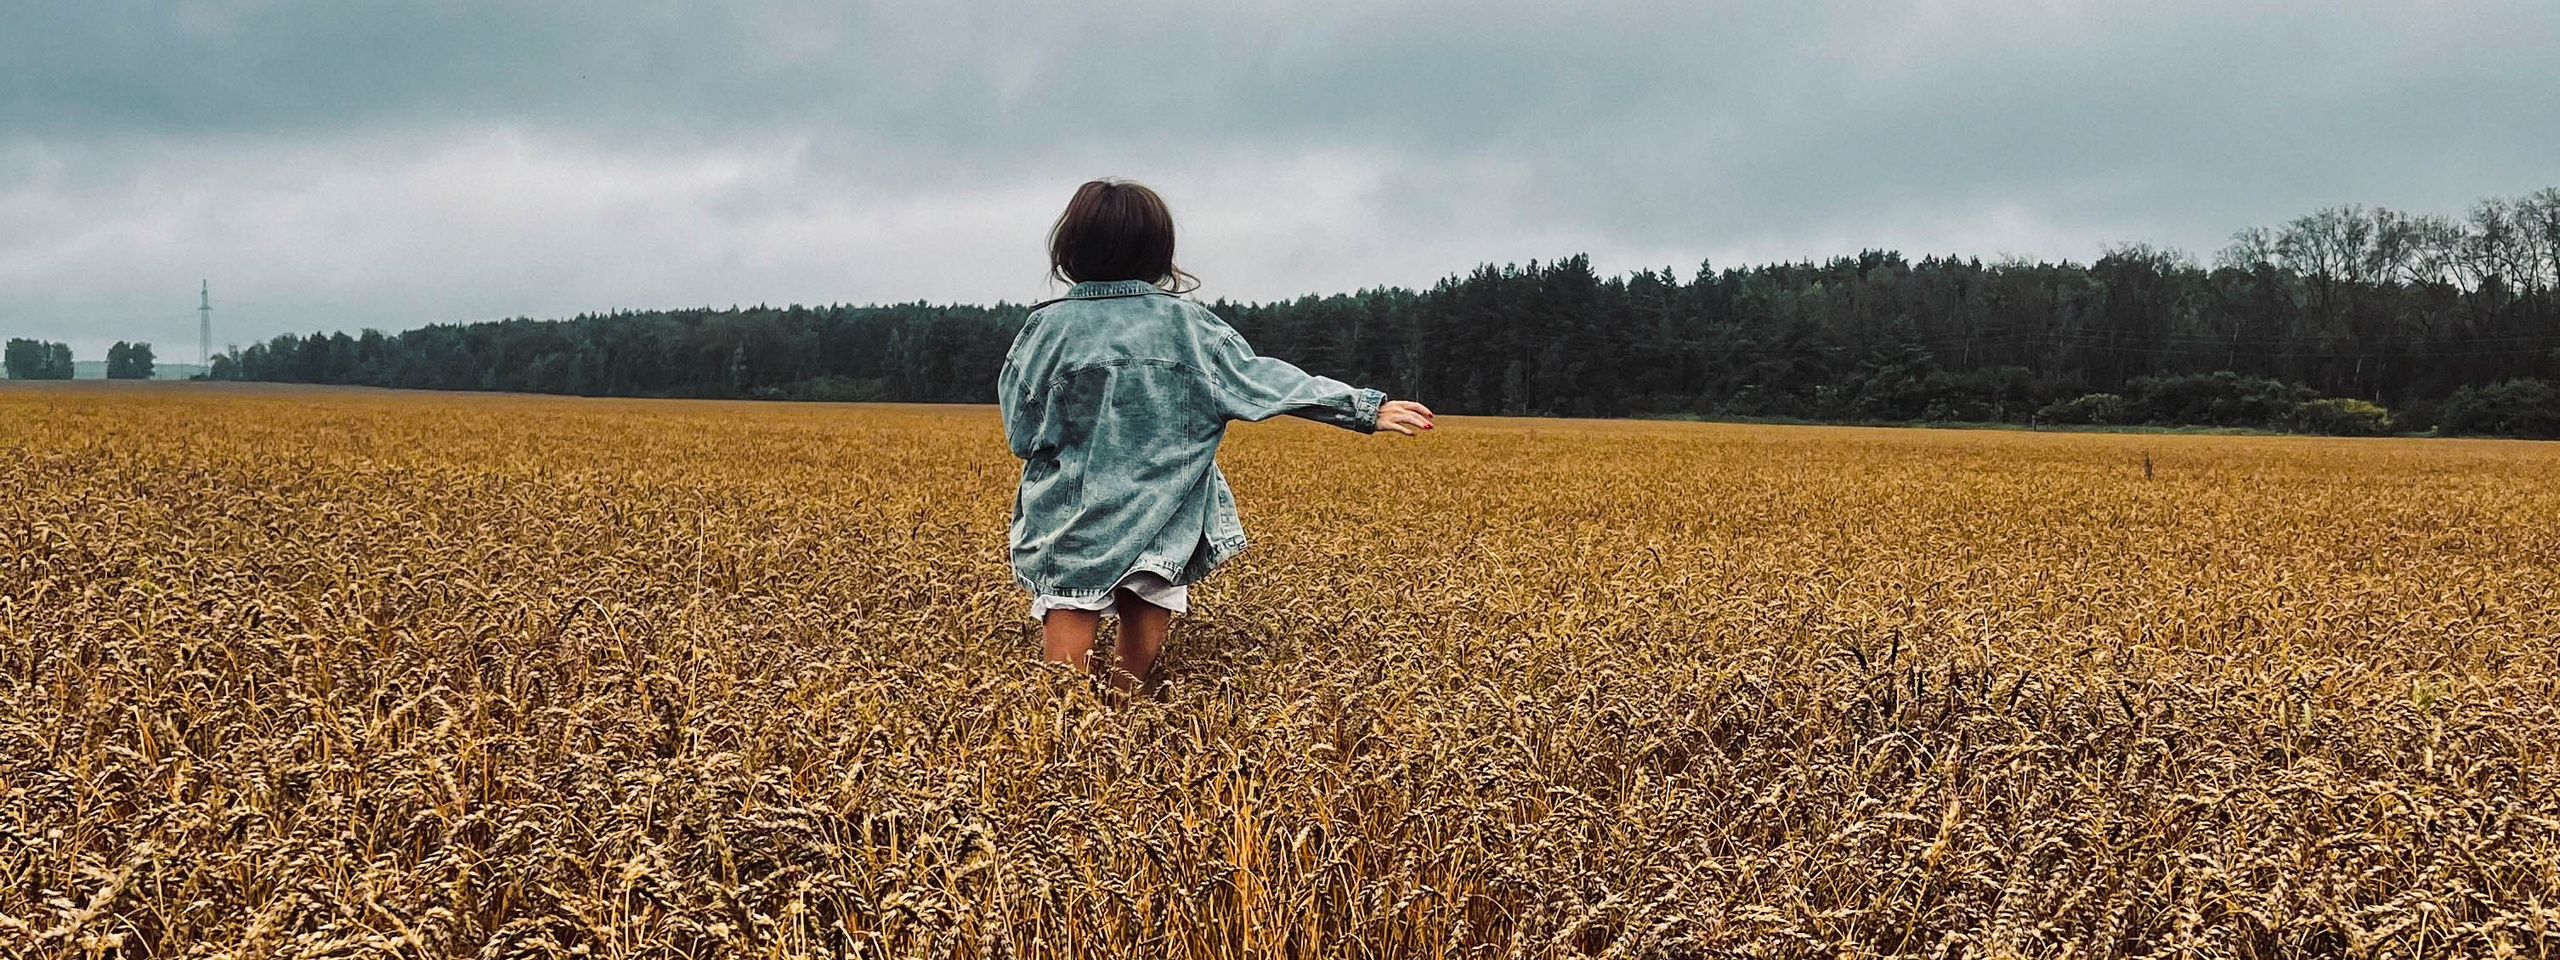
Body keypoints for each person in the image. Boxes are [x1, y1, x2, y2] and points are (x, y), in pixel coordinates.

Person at [999, 178, 1434, 691]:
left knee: (1070, 606)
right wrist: (1363, 408)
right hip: (1164, 508)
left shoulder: (1045, 331)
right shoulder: (1193, 328)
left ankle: (1064, 731)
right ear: (1159, 250)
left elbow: (1021, 431)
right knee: (1146, 605)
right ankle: (1123, 713)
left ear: (1070, 246)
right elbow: (1267, 381)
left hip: (1070, 512)